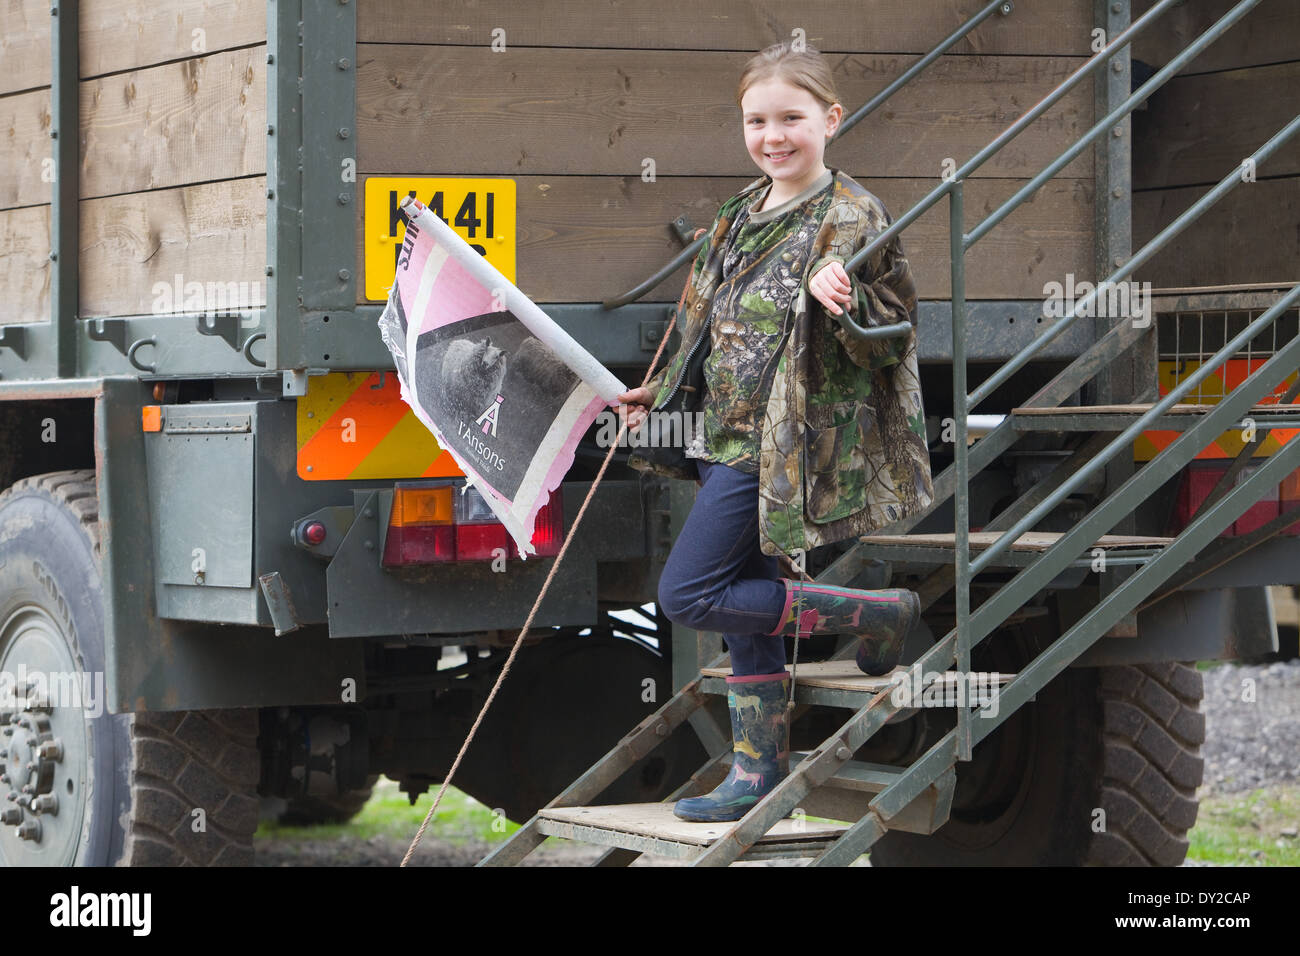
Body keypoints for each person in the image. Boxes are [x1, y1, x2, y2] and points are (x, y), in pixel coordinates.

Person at [615, 42, 934, 823]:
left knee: (689, 592)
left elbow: (891, 328)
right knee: (745, 611)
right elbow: (699, 320)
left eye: (791, 118)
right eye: (757, 120)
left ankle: (874, 613)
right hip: (722, 435)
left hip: (784, 447)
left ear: (829, 118)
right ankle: (757, 772)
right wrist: (658, 392)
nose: (774, 136)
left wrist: (845, 292)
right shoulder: (738, 213)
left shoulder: (850, 215)